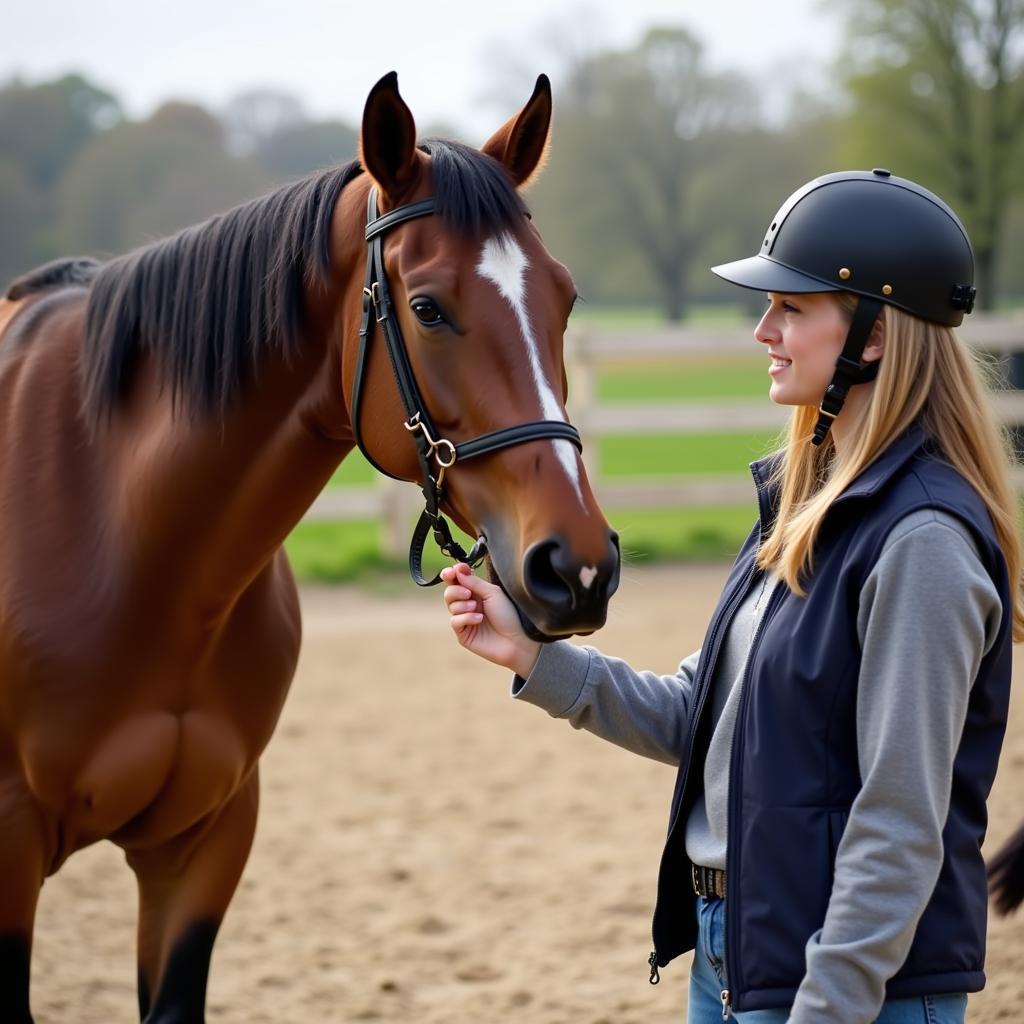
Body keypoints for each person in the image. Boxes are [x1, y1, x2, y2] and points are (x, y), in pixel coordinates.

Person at [440, 169, 1023, 1023]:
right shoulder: (806, 506)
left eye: (792, 307)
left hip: (847, 986)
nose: (764, 330)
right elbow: (702, 718)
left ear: (873, 337)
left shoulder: (922, 544)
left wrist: (828, 1006)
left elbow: (898, 823)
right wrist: (534, 656)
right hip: (739, 954)